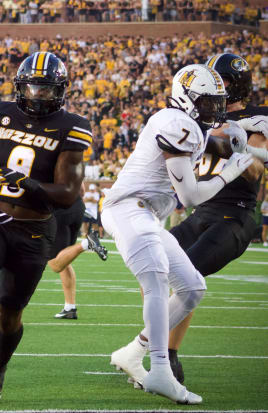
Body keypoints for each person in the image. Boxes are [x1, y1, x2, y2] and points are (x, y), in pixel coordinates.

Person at [0, 52, 90, 404]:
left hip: (34, 230)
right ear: (20, 86)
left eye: (46, 89)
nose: (38, 95)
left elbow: (68, 194)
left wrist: (28, 184)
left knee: (9, 313)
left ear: (60, 90)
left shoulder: (72, 126)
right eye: (32, 88)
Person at [101, 63, 253, 404]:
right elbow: (190, 197)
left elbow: (201, 148)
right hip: (126, 207)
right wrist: (229, 173)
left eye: (219, 102)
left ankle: (132, 353)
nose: (215, 109)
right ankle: (159, 370)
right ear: (186, 98)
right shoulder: (176, 123)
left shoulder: (186, 125)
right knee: (156, 280)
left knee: (192, 287)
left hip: (146, 214)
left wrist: (229, 142)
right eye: (208, 102)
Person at [165, 53, 268, 384]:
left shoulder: (256, 119)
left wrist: (233, 146)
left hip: (234, 212)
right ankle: (154, 346)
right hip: (201, 211)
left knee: (186, 276)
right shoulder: (201, 119)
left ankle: (165, 355)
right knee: (151, 261)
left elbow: (255, 171)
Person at [48, 183, 108, 320]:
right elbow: (81, 188)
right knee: (64, 259)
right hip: (77, 205)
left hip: (57, 209)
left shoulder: (45, 162)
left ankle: (86, 244)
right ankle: (70, 308)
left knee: (55, 264)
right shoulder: (68, 162)